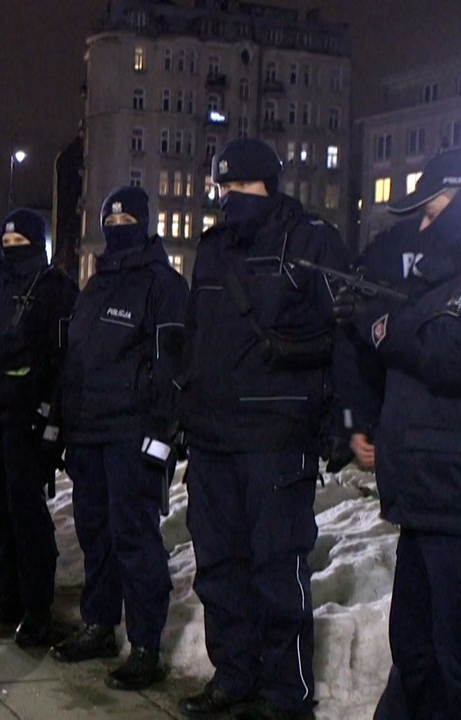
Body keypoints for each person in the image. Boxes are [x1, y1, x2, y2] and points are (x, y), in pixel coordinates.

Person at [177, 138, 349, 720]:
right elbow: (196, 337)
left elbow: (343, 332)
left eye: (241, 188)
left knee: (278, 570)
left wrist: (339, 416)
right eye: (223, 189)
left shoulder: (311, 240)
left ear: (268, 186)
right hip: (212, 437)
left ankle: (285, 693)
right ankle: (234, 674)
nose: (230, 199)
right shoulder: (212, 249)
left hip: (276, 437)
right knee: (219, 568)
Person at [332, 148, 461, 717]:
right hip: (422, 500)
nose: (424, 229)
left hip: (451, 502)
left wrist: (386, 327)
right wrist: (365, 423)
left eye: (434, 213)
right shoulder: (430, 288)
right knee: (414, 650)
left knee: (451, 656)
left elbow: (446, 355)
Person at [52, 188, 187, 690]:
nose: (118, 224)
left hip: (131, 435)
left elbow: (174, 364)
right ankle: (99, 623)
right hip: (89, 433)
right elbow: (77, 359)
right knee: (95, 535)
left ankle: (147, 644)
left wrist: (161, 432)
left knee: (135, 539)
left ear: (146, 223)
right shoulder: (96, 284)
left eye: (128, 217)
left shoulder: (163, 284)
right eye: (111, 217)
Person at [0, 208, 79, 648]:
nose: (13, 251)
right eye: (7, 244)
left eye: (21, 244)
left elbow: (62, 361)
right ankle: (7, 593)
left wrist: (51, 424)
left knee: (26, 515)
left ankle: (36, 608)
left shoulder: (54, 289)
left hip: (28, 421)